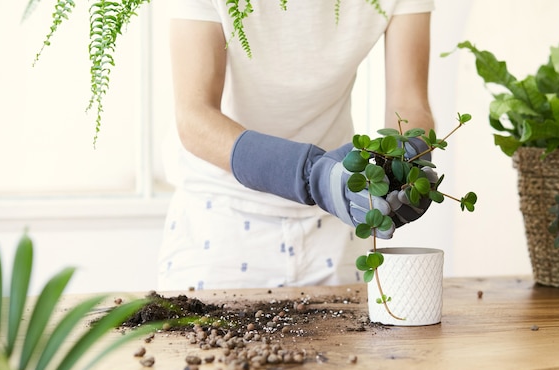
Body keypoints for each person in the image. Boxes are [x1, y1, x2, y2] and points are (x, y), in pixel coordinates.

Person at [158, 0, 436, 291]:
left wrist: (404, 162)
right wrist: (311, 175)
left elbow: (410, 103)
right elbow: (194, 118)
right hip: (220, 219)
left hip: (337, 221)